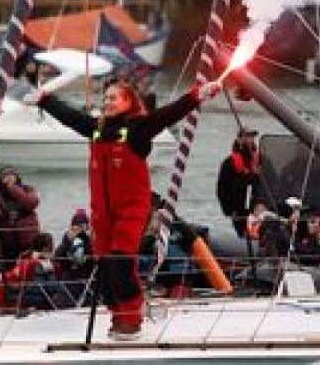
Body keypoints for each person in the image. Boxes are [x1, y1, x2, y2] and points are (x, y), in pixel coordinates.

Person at [26, 79, 222, 339]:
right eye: (105, 98)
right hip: (102, 215)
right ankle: (118, 316)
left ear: (128, 102)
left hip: (131, 209)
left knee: (120, 261)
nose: (107, 102)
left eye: (114, 98)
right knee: (106, 270)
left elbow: (168, 114)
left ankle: (132, 318)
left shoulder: (138, 129)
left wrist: (197, 95)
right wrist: (45, 100)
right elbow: (70, 117)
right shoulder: (96, 129)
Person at [0, 166, 41, 270]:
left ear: (17, 177)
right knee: (10, 270)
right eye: (6, 176)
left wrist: (13, 188)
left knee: (27, 269)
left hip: (27, 240)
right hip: (7, 242)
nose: (9, 178)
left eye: (11, 175)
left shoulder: (27, 189)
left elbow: (30, 203)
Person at [217, 128, 265, 237]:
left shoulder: (262, 160)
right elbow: (222, 190)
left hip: (260, 209)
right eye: (246, 137)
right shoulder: (229, 163)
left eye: (252, 137)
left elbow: (273, 183)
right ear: (238, 139)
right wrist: (230, 210)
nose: (249, 140)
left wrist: (263, 203)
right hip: (238, 211)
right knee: (244, 234)